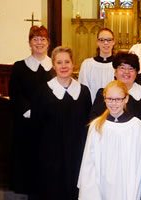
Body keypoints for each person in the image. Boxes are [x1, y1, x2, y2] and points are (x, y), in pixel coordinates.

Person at [31, 46, 92, 200]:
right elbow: (35, 126)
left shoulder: (83, 92)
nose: (63, 66)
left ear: (73, 64)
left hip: (76, 154)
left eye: (67, 62)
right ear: (53, 65)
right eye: (59, 62)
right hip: (50, 155)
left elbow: (88, 125)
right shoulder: (43, 91)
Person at [78, 80, 141, 200]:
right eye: (109, 99)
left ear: (126, 99)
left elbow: (140, 163)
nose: (113, 103)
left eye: (118, 99)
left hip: (127, 185)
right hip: (101, 186)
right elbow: (89, 162)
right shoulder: (96, 126)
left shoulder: (136, 126)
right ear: (104, 99)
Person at [8, 25, 55, 198]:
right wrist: (30, 111)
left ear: (48, 42)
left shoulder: (56, 66)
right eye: (35, 39)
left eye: (43, 39)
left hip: (50, 123)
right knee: (28, 158)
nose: (39, 42)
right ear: (29, 43)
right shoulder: (20, 67)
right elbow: (15, 93)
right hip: (26, 123)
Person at [90, 52, 141, 144]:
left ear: (136, 73)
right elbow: (95, 121)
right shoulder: (103, 94)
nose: (126, 72)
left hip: (138, 144)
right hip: (108, 144)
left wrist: (135, 137)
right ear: (115, 71)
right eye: (122, 68)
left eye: (131, 69)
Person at [78, 28, 116, 102]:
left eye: (109, 40)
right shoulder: (87, 64)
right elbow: (83, 90)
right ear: (97, 42)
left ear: (113, 42)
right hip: (92, 109)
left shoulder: (119, 65)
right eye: (102, 40)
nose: (105, 43)